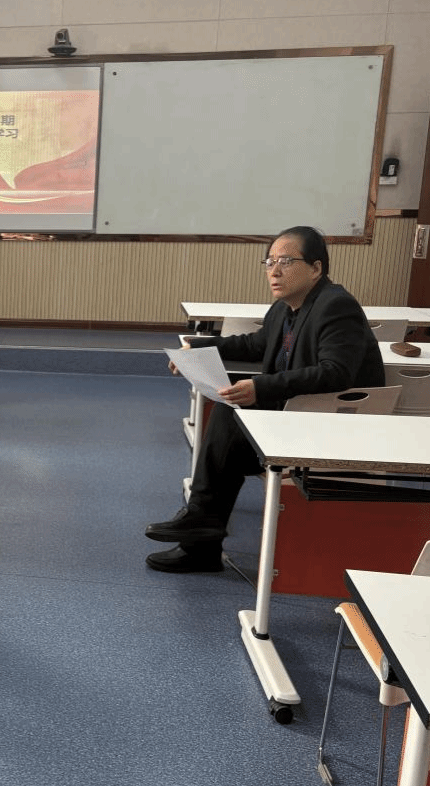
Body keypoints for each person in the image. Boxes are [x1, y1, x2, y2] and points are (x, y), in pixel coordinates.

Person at [145, 226, 385, 574]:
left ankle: (201, 534)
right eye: (269, 261)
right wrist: (195, 347)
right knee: (229, 419)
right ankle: (201, 536)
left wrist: (261, 388)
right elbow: (255, 345)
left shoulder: (336, 306)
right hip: (299, 417)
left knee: (230, 420)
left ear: (316, 268)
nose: (274, 270)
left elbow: (336, 373)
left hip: (333, 426)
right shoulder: (285, 308)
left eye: (285, 261)